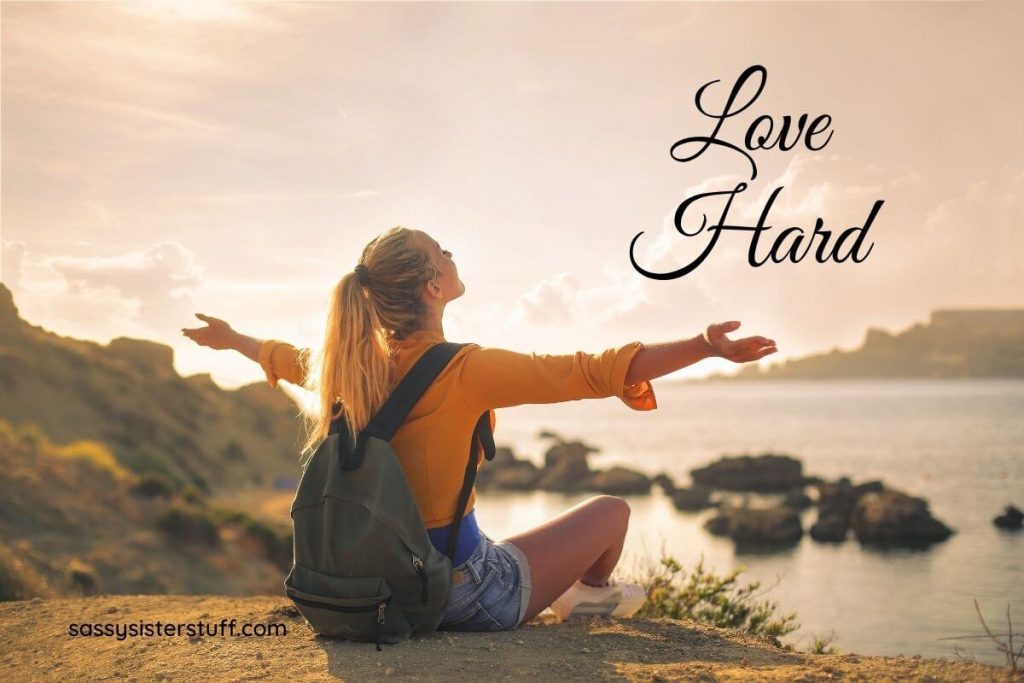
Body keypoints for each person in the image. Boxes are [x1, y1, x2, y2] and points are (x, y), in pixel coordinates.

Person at [181, 225, 777, 631]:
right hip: (457, 592)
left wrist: (233, 339)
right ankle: (589, 598)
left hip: (369, 588)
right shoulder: (465, 369)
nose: (452, 254)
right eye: (443, 251)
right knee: (613, 511)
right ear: (433, 287)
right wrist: (703, 346)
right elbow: (593, 371)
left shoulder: (348, 368)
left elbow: (288, 358)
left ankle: (569, 591)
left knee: (531, 538)